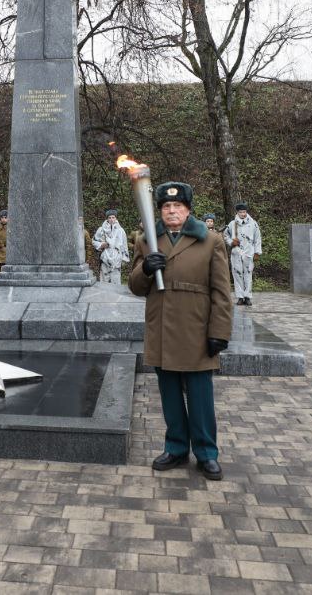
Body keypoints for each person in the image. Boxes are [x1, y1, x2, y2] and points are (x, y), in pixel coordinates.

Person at [129, 181, 233, 481]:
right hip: (162, 327)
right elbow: (135, 287)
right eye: (166, 207)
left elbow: (221, 291)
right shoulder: (147, 239)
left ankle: (206, 453)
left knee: (200, 397)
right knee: (170, 395)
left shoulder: (210, 240)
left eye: (177, 206)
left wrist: (220, 332)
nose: (172, 211)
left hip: (196, 328)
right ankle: (175, 448)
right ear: (159, 211)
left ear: (188, 210)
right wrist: (146, 269)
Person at [223, 203, 261, 306]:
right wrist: (231, 242)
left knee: (248, 274)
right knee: (237, 274)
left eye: (244, 212)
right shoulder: (232, 224)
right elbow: (225, 235)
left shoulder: (253, 224)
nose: (243, 214)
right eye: (240, 212)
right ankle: (240, 297)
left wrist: (257, 252)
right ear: (237, 212)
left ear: (246, 212)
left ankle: (247, 296)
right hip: (236, 253)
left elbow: (257, 238)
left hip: (249, 252)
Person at [93, 208, 129, 284]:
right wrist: (101, 245)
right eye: (109, 217)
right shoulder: (101, 229)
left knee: (115, 281)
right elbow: (94, 241)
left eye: (113, 217)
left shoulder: (120, 231)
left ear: (116, 218)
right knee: (104, 281)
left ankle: (115, 295)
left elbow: (124, 245)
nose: (111, 219)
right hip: (105, 258)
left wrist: (123, 258)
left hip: (116, 259)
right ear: (107, 219)